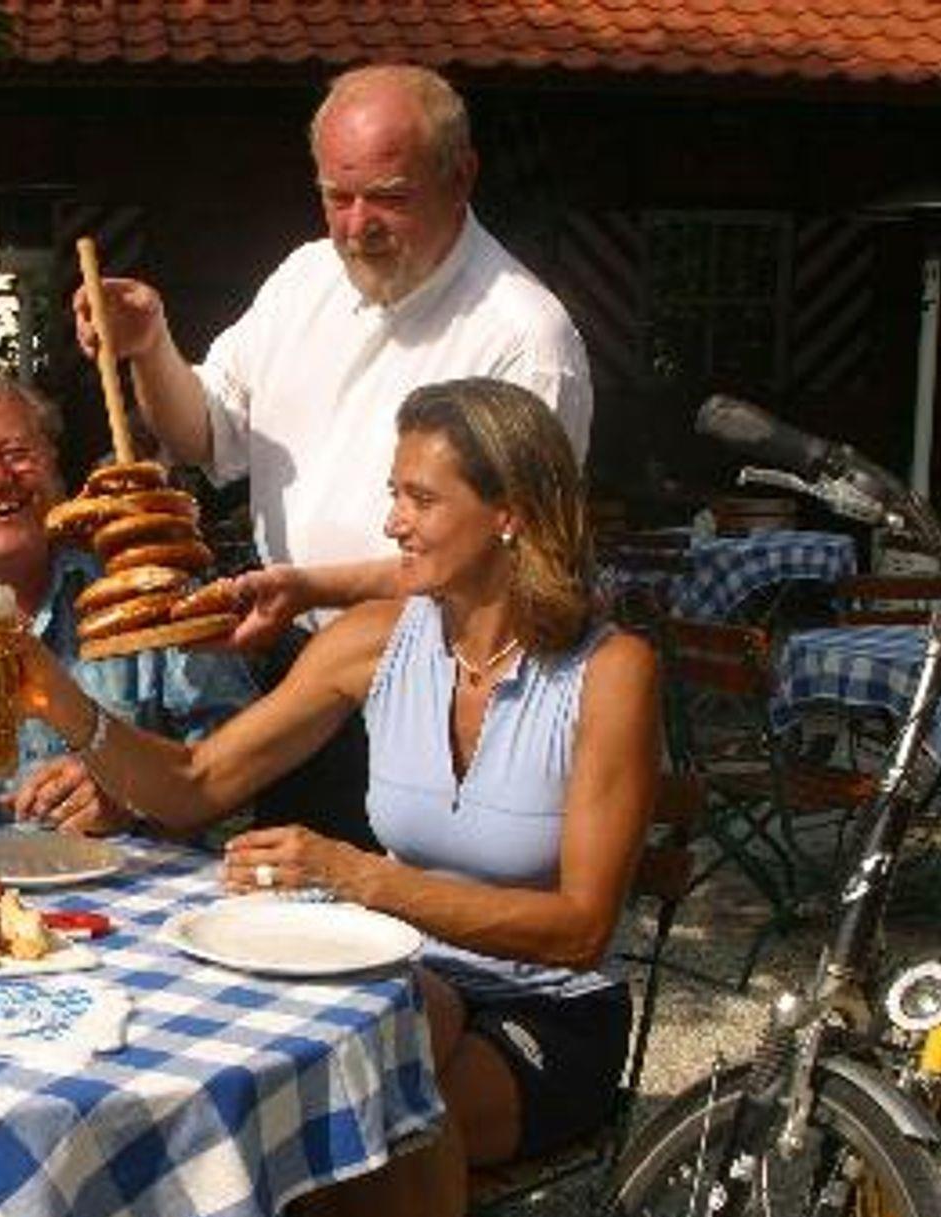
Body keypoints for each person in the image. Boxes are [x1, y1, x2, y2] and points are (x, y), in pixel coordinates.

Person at [11, 379, 658, 1217]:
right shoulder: (373, 641)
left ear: (510, 512)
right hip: (410, 991)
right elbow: (194, 783)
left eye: (418, 497)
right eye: (390, 493)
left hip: (549, 1009)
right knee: (375, 1087)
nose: (391, 521)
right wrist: (60, 700)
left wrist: (362, 877)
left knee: (369, 1116)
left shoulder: (608, 672)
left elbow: (577, 926)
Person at [75, 62, 591, 848]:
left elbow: (508, 559)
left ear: (461, 178)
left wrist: (312, 584)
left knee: (401, 904)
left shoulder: (525, 337)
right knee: (291, 898)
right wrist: (150, 348)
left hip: (445, 683)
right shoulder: (306, 277)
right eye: (336, 196)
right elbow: (206, 434)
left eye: (387, 197)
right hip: (303, 666)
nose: (356, 225)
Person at [0, 361, 256, 833]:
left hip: (125, 871)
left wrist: (134, 784)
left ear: (52, 465)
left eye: (18, 453)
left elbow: (238, 765)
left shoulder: (142, 580)